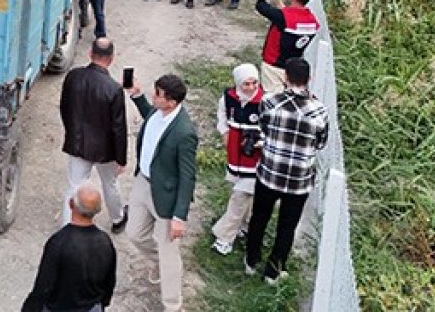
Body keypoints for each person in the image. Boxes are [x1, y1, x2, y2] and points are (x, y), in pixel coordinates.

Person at [245, 58, 329, 285]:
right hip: (298, 180)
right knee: (287, 226)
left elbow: (263, 128)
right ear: (309, 80)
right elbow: (320, 143)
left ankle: (251, 260)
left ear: (285, 77)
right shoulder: (319, 111)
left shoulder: (269, 102)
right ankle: (273, 271)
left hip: (269, 173)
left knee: (259, 217)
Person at [124, 73, 197, 312]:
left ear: (172, 103)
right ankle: (159, 264)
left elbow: (187, 176)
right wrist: (136, 95)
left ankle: (172, 305)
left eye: (158, 95)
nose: (153, 97)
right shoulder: (157, 112)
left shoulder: (184, 132)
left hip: (166, 195)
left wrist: (180, 216)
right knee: (135, 233)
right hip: (143, 183)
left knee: (169, 252)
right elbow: (149, 115)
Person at [59, 37, 128, 227]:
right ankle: (118, 217)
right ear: (111, 58)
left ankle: (68, 226)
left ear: (90, 53)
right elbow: (119, 128)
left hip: (78, 142)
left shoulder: (73, 76)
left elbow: (64, 107)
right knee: (110, 184)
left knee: (74, 187)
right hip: (105, 149)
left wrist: (71, 132)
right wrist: (121, 158)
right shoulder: (114, 89)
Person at [23, 183, 118, 312]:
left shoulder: (59, 242)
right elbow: (109, 281)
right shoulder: (105, 242)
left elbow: (44, 286)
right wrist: (103, 303)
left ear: (71, 204)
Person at [210, 63, 264, 256]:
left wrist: (260, 142)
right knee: (245, 195)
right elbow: (222, 116)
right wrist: (224, 132)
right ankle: (245, 225)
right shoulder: (228, 98)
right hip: (235, 155)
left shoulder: (265, 101)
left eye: (253, 83)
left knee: (239, 198)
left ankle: (224, 236)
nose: (250, 88)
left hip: (255, 159)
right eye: (246, 84)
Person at [254, 0, 320, 94]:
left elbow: (260, 5)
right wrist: (279, 2)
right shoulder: (313, 23)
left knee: (273, 100)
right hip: (292, 69)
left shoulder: (283, 18)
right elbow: (291, 20)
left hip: (273, 66)